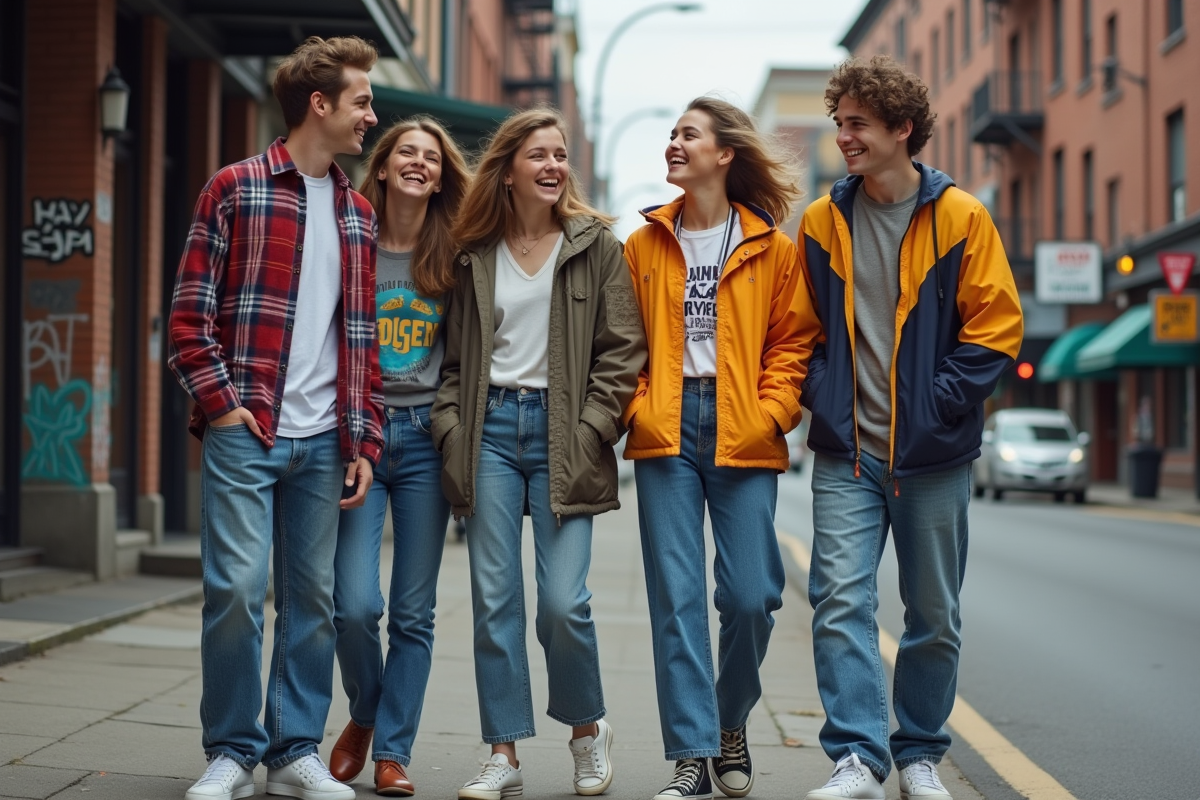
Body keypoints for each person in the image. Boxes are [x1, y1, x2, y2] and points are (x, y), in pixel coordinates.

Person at [797, 56, 1023, 800]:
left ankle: (920, 751)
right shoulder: (823, 221)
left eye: (858, 124)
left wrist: (935, 407)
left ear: (902, 129)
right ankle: (858, 757)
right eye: (839, 124)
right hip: (848, 453)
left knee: (934, 615)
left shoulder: (961, 217)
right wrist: (821, 393)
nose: (844, 137)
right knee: (839, 601)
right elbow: (801, 334)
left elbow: (995, 329)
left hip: (932, 455)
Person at [168, 36, 384, 800]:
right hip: (246, 432)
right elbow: (188, 322)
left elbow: (362, 344)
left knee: (312, 603)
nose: (371, 114)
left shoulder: (358, 216)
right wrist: (225, 409)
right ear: (319, 104)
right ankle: (231, 748)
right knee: (234, 589)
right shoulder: (234, 189)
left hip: (325, 442)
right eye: (361, 99)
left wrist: (363, 438)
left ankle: (295, 750)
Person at [430, 106, 646, 800]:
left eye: (560, 155)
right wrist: (451, 431)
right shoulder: (475, 254)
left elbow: (622, 352)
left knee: (562, 603)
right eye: (539, 156)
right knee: (494, 601)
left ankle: (587, 733)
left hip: (564, 435)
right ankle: (504, 752)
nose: (554, 166)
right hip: (488, 430)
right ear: (508, 170)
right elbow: (455, 363)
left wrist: (590, 428)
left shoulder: (595, 245)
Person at [622, 97, 816, 800]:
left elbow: (793, 342)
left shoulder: (773, 248)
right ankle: (692, 755)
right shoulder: (641, 246)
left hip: (743, 427)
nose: (674, 143)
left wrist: (772, 412)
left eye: (689, 135)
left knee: (751, 595)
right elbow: (623, 344)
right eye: (672, 134)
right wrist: (638, 405)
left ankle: (729, 719)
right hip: (666, 432)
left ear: (725, 152)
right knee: (676, 601)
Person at [324, 116, 472, 796]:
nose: (420, 163)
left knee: (414, 612)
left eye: (432, 158)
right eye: (406, 152)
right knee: (353, 604)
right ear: (382, 166)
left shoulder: (456, 251)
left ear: (442, 176)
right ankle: (364, 709)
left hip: (423, 443)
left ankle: (394, 751)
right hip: (357, 436)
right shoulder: (349, 237)